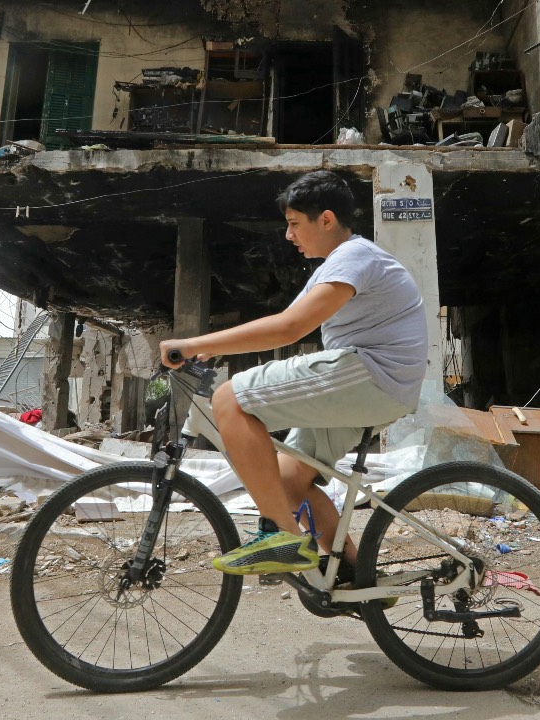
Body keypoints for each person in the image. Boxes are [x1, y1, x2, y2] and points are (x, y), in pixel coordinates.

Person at [160, 170, 427, 578]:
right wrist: (209, 346)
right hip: (374, 384)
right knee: (287, 481)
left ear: (326, 219)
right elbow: (282, 322)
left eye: (293, 224)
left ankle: (282, 538)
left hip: (372, 375)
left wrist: (194, 344)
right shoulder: (334, 266)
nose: (289, 236)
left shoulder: (355, 257)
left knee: (229, 398)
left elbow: (289, 329)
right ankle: (356, 574)